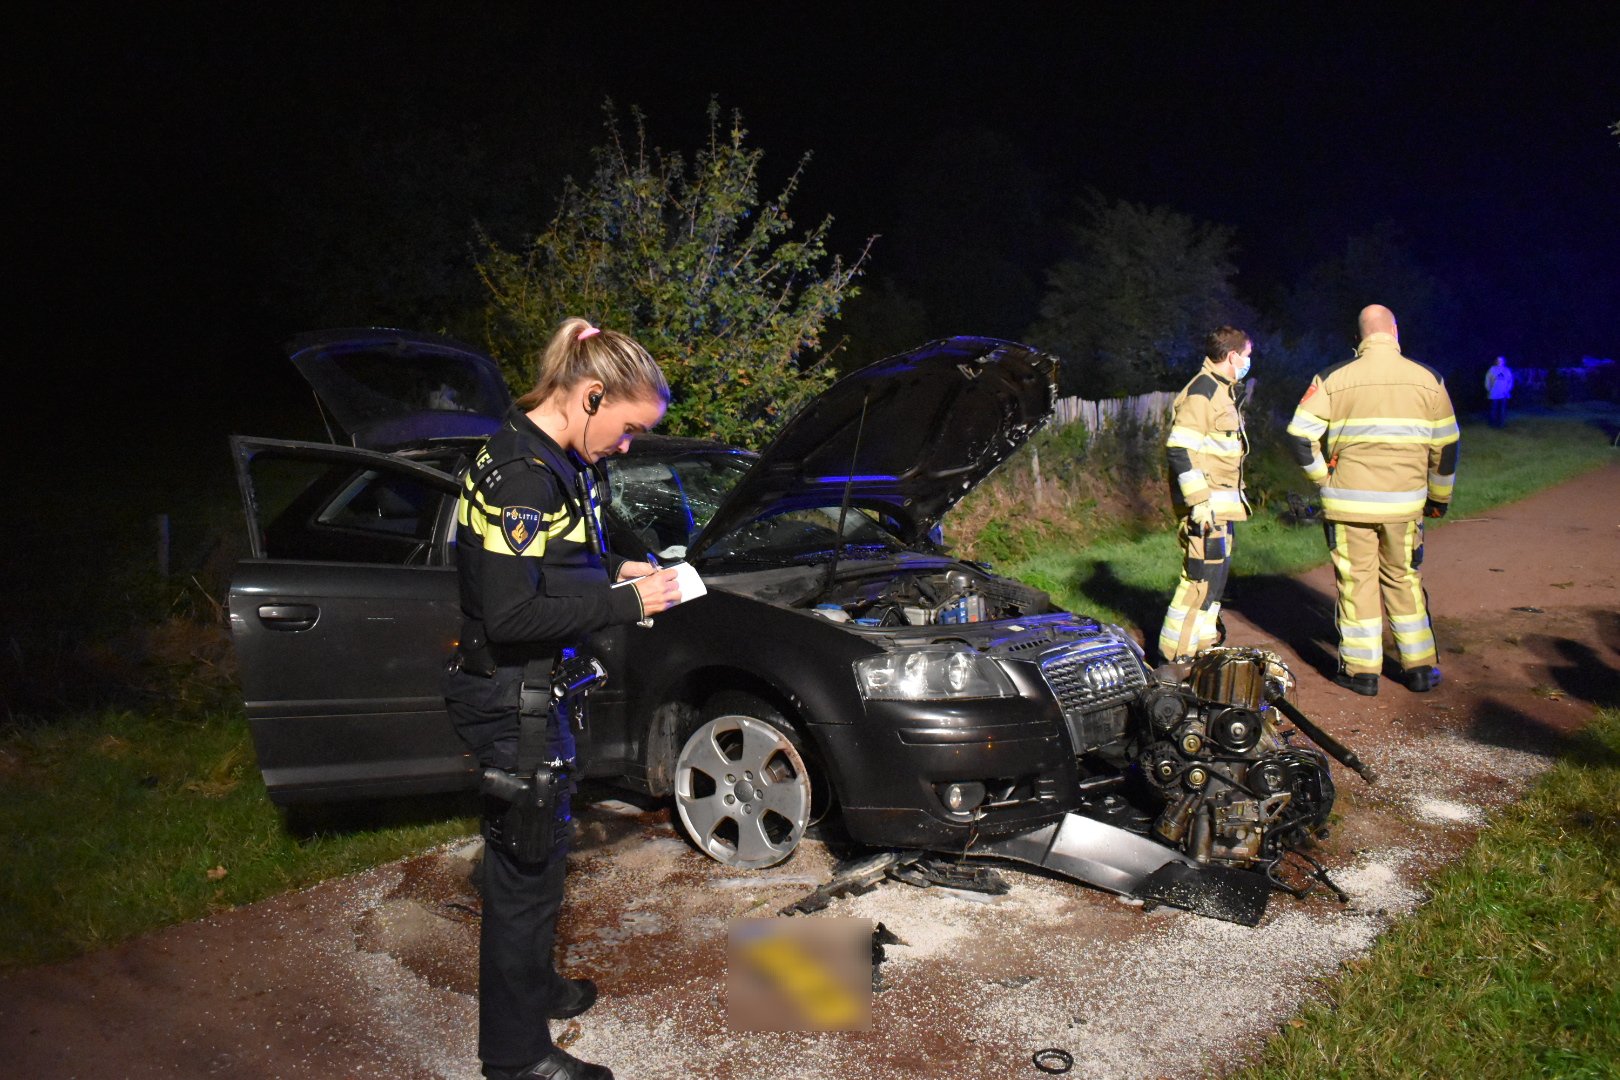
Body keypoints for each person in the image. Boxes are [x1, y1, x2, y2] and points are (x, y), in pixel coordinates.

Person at [443, 317, 682, 1080]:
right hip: (512, 701)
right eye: (627, 428)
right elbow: (512, 614)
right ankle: (514, 1059)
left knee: (540, 867)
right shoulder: (523, 472)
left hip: (537, 694)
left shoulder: (546, 448)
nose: (627, 446)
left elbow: (552, 561)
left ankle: (535, 987)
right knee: (523, 879)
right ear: (589, 396)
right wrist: (633, 604)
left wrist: (611, 571)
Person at [1284, 304, 1459, 696]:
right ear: (1394, 332)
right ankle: (1419, 669)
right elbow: (1446, 447)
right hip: (1404, 507)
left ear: (1360, 336)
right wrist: (1438, 498)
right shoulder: (1429, 379)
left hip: (1348, 506)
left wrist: (1322, 478)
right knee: (1404, 580)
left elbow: (1299, 434)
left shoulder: (1333, 377)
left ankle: (1362, 673)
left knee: (1356, 582)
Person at [1157, 326, 1253, 663]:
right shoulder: (1203, 391)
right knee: (1197, 583)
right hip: (1205, 511)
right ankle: (1174, 660)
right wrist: (1198, 502)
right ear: (1232, 356)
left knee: (1213, 585)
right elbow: (1180, 449)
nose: (1248, 362)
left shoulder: (1221, 390)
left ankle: (1201, 650)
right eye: (1247, 355)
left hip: (1220, 512)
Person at [1485, 355, 1514, 427]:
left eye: (1501, 360)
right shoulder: (1492, 369)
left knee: (1502, 410)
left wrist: (1507, 390)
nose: (1500, 362)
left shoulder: (1507, 370)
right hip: (1494, 393)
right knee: (1493, 410)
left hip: (1504, 394)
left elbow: (1510, 381)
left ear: (1504, 361)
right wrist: (1489, 389)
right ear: (1496, 361)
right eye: (1498, 360)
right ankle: (1492, 424)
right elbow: (1487, 380)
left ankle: (1501, 424)